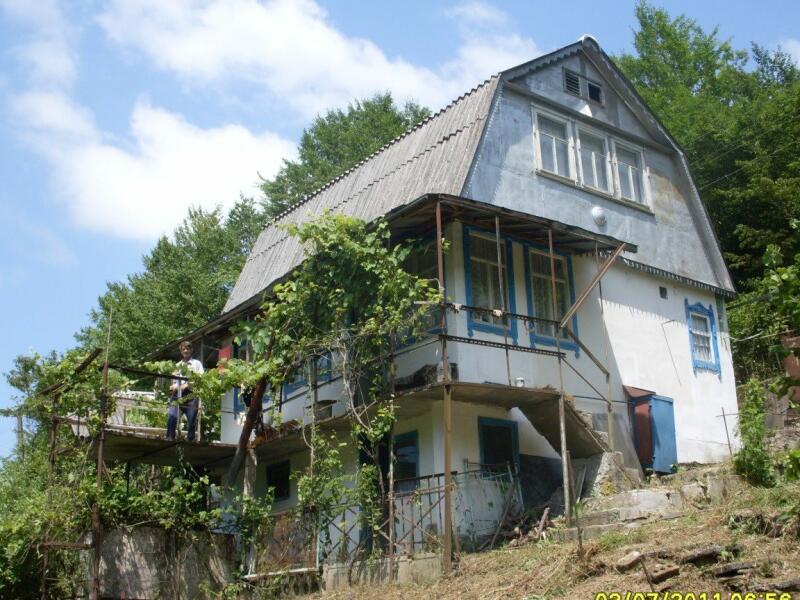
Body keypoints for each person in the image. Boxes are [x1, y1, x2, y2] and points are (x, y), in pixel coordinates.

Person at [166, 340, 204, 441]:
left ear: (191, 350)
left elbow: (200, 379)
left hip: (191, 395)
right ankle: (170, 437)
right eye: (184, 349)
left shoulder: (197, 364)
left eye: (188, 349)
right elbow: (174, 381)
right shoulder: (178, 365)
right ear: (181, 351)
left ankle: (190, 440)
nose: (186, 351)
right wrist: (172, 387)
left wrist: (186, 385)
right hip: (177, 394)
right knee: (172, 416)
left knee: (191, 419)